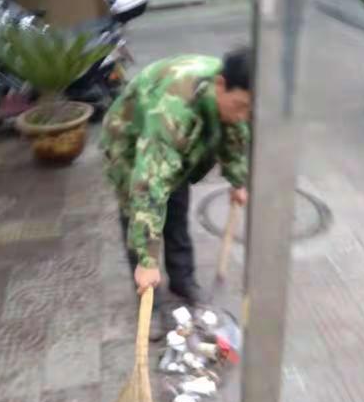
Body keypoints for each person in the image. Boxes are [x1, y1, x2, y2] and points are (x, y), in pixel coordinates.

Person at [100, 48, 251, 339]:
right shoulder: (172, 110)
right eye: (241, 106)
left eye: (250, 109)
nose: (243, 115)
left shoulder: (233, 98)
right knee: (140, 211)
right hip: (130, 142)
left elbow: (235, 131)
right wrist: (147, 260)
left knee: (177, 207)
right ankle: (149, 300)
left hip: (176, 141)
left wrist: (237, 179)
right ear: (220, 85)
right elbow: (149, 185)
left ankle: (182, 280)